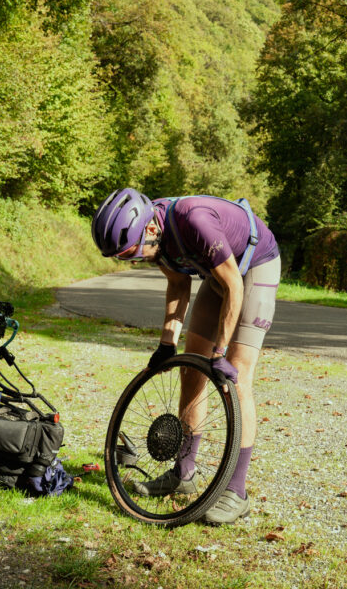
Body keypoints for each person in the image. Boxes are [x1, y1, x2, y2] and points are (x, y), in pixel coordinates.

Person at [91, 188, 280, 524]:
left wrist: (220, 352)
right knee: (191, 370)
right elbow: (179, 285)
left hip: (253, 268)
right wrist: (167, 344)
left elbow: (234, 287)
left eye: (133, 255)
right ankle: (184, 473)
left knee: (236, 375)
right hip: (219, 271)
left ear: (149, 229)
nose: (135, 261)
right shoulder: (156, 238)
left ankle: (236, 492)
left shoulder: (193, 222)